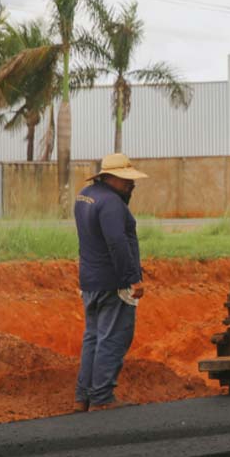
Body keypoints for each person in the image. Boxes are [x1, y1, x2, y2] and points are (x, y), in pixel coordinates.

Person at [73, 153, 148, 412]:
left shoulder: (85, 196)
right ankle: (102, 398)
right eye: (127, 180)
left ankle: (83, 397)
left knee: (92, 338)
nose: (132, 185)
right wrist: (133, 279)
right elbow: (117, 243)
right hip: (112, 283)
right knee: (113, 338)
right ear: (111, 178)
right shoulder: (112, 204)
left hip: (90, 281)